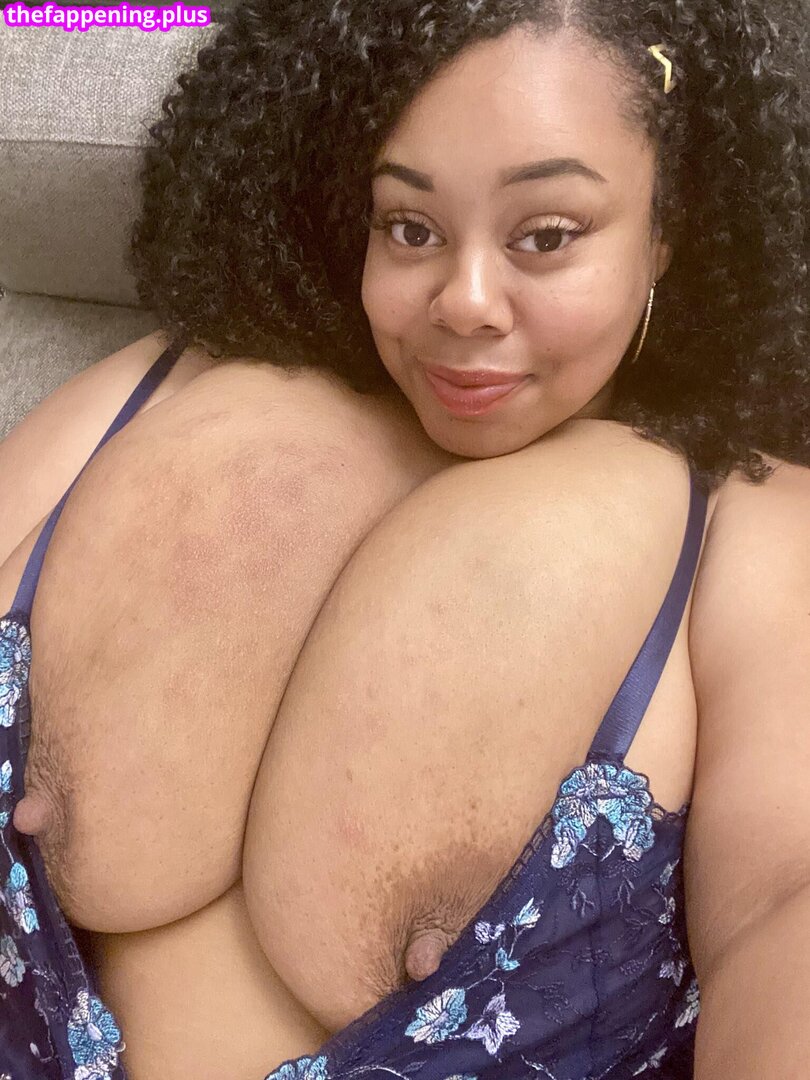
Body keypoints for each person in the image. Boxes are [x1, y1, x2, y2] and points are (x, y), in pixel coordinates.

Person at [0, 1, 807, 1078]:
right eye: (411, 228)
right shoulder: (161, 388)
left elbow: (783, 904)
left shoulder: (758, 527)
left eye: (546, 235)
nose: (464, 303)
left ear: (667, 230)